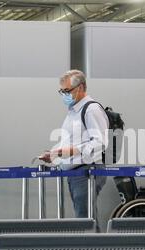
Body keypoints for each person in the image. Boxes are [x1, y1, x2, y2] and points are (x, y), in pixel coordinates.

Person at [39, 70, 108, 223]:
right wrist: (54, 154)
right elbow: (70, 141)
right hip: (76, 172)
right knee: (84, 218)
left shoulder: (91, 109)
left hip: (88, 171)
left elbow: (100, 142)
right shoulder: (73, 112)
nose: (64, 95)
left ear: (81, 87)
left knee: (85, 220)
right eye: (61, 91)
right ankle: (89, 246)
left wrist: (67, 151)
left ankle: (91, 247)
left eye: (67, 91)